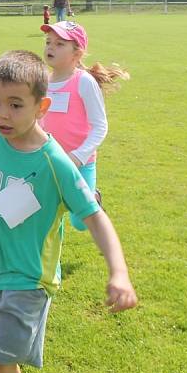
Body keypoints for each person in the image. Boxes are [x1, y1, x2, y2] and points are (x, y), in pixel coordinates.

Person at [0, 50, 137, 373]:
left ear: (41, 106)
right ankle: (7, 336)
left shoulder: (55, 162)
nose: (2, 114)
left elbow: (94, 218)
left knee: (0, 354)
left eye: (15, 105)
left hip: (30, 277)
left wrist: (119, 272)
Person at [41, 21, 129, 231]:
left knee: (80, 222)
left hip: (81, 162)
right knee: (48, 215)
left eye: (60, 44)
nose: (50, 47)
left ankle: (94, 197)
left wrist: (79, 156)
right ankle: (51, 261)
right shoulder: (42, 80)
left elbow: (100, 126)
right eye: (48, 42)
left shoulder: (84, 82)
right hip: (49, 160)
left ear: (77, 54)